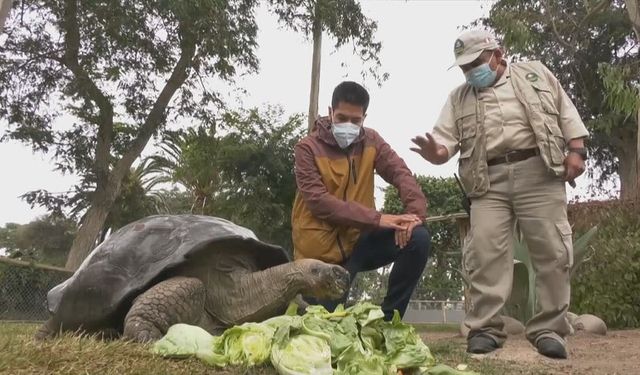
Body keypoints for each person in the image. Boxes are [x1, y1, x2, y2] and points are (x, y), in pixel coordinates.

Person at [410, 30, 588, 359]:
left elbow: (566, 111)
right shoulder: (458, 97)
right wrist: (435, 152)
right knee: (485, 252)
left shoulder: (535, 73)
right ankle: (485, 328)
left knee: (553, 250)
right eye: (464, 68)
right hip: (486, 179)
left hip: (539, 171)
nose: (470, 72)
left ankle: (549, 328)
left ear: (497, 54)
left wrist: (576, 149)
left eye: (476, 63)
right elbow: (443, 142)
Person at [291, 81, 431, 320]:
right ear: (330, 112)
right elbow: (319, 202)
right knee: (324, 324)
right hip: (321, 253)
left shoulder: (372, 141)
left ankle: (389, 321)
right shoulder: (306, 148)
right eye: (342, 117)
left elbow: (400, 173)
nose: (348, 125)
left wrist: (414, 216)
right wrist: (378, 219)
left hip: (359, 241)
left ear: (364, 117)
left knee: (418, 238)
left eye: (356, 121)